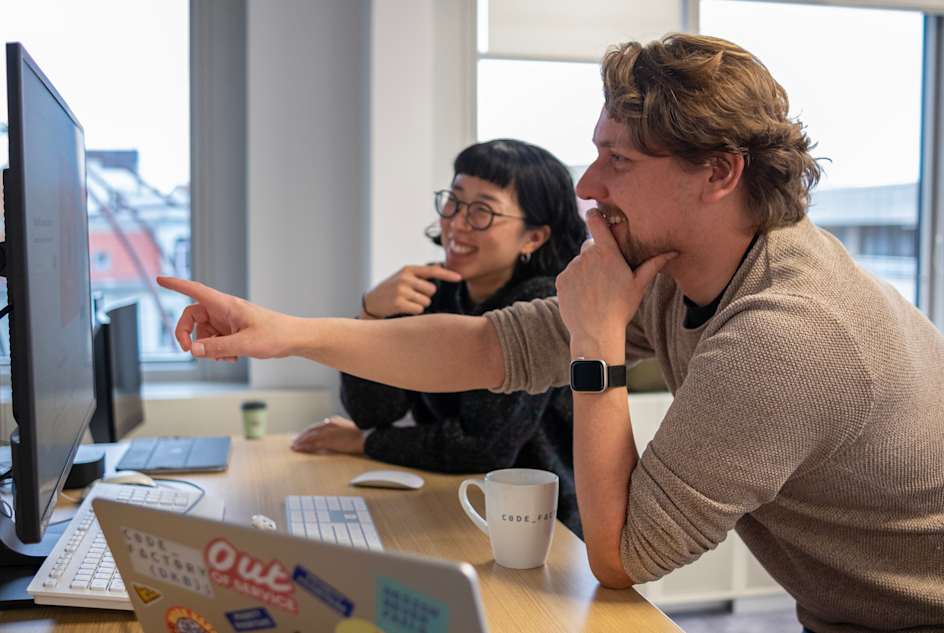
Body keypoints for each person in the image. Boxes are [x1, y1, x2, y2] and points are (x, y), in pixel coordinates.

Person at [158, 33, 944, 633]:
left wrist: (597, 344)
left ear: (719, 173)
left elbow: (622, 554)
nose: (588, 187)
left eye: (618, 161)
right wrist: (283, 331)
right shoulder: (681, 267)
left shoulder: (789, 335)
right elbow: (487, 347)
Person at [289, 139, 587, 537]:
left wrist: (368, 442)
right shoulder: (433, 288)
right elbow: (374, 411)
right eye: (454, 201)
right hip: (457, 501)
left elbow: (483, 447)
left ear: (533, 238)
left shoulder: (542, 304)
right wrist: (371, 315)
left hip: (540, 528)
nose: (458, 223)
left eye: (482, 210)